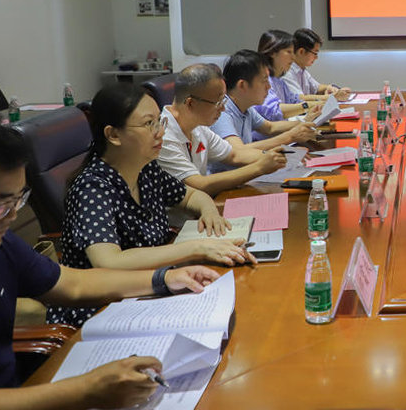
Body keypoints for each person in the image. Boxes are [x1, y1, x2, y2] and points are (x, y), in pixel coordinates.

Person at [0, 108, 219, 404]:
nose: (12, 216)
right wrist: (85, 390)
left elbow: (74, 284)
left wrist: (165, 278)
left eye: (18, 200)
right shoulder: (93, 185)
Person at [49, 83, 256, 328]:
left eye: (160, 121)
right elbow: (109, 262)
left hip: (153, 288)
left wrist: (209, 211)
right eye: (149, 124)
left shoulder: (146, 169)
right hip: (103, 310)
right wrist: (196, 247)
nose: (160, 132)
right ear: (113, 135)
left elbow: (192, 196)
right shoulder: (92, 187)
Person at [157, 63, 289, 196]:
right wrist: (259, 167)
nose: (223, 108)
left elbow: (234, 155)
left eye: (223, 101)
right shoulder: (162, 137)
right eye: (217, 103)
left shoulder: (198, 127)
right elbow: (199, 185)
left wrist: (275, 157)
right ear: (190, 103)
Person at [210, 49, 318, 152]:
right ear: (242, 85)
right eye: (264, 81)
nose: (268, 87)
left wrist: (304, 122)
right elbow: (238, 151)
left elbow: (270, 127)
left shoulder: (245, 108)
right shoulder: (222, 112)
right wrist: (290, 137)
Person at [254, 29, 317, 120]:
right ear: (272, 52)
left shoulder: (279, 81)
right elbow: (274, 111)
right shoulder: (262, 81)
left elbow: (294, 100)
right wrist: (308, 106)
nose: (293, 57)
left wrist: (319, 103)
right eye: (288, 52)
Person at [285, 28, 351, 102]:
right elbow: (299, 98)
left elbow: (317, 87)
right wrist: (333, 97)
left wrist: (329, 88)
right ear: (301, 51)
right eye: (315, 53)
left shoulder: (302, 70)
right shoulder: (287, 72)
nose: (316, 57)